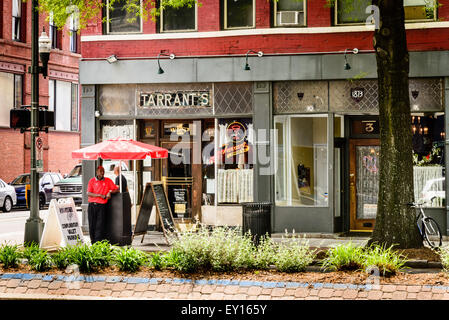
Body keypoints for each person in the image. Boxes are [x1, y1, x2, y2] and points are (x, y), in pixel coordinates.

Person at [87, 165, 118, 244]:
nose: (102, 173)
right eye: (100, 171)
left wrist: (110, 192)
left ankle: (98, 243)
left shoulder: (107, 180)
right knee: (92, 224)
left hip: (102, 206)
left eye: (103, 171)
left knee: (100, 225)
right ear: (97, 172)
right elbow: (88, 193)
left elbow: (116, 189)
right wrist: (100, 195)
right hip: (92, 205)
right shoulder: (92, 181)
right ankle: (92, 242)